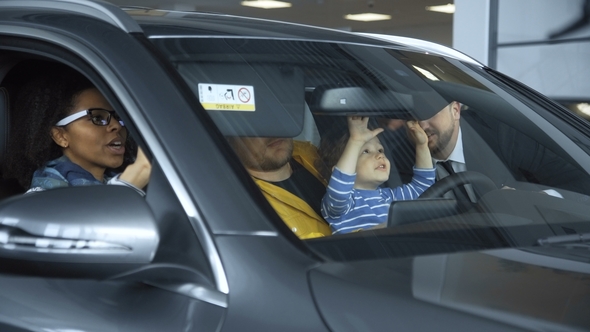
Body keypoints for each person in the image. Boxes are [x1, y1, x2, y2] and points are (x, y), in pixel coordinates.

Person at [4, 65, 151, 196]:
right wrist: (131, 182)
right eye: (98, 118)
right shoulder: (42, 198)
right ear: (60, 136)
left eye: (119, 117)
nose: (117, 126)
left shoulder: (114, 179)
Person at [319, 116, 435, 234]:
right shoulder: (343, 204)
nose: (380, 156)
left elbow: (424, 188)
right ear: (339, 169)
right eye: (366, 151)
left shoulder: (389, 197)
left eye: (380, 150)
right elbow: (339, 190)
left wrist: (422, 146)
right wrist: (356, 141)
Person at [227, 136, 331, 239]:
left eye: (276, 120)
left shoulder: (308, 152)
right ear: (229, 139)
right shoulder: (247, 207)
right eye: (257, 125)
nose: (273, 131)